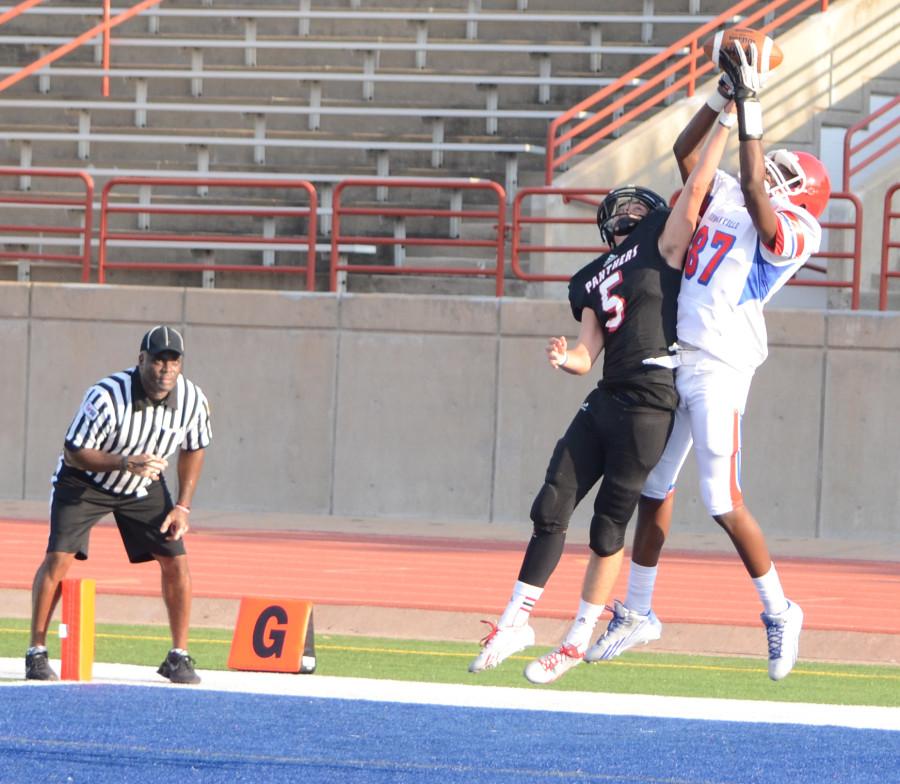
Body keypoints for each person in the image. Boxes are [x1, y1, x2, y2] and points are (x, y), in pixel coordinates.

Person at [587, 41, 831, 682]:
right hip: (675, 351)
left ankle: (780, 609)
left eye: (787, 172)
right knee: (651, 485)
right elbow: (688, 156)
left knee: (720, 496)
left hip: (721, 361)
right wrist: (725, 93)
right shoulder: (727, 189)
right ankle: (639, 611)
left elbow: (756, 190)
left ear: (802, 194)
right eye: (775, 163)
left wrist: (750, 106)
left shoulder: (799, 230)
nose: (775, 170)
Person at [468, 105, 733, 682]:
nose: (634, 212)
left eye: (644, 208)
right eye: (627, 208)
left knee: (608, 527)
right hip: (607, 397)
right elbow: (589, 353)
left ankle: (578, 635)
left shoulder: (663, 248)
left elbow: (697, 185)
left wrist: (728, 121)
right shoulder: (590, 275)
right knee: (550, 503)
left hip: (650, 403)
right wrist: (568, 359)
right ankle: (517, 618)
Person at [26, 325, 212, 684]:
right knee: (58, 559)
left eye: (174, 362)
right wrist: (125, 462)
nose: (166, 370)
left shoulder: (192, 399)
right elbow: (74, 450)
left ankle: (179, 655)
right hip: (86, 480)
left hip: (142, 484)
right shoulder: (107, 395)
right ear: (142, 359)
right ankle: (36, 650)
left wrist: (183, 506)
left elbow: (195, 445)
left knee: (176, 559)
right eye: (159, 361)